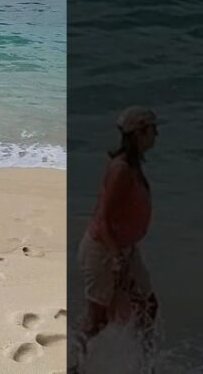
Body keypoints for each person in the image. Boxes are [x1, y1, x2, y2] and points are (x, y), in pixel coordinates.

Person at [77, 106, 161, 363]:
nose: (156, 135)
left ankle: (143, 362)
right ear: (139, 133)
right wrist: (116, 258)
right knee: (97, 318)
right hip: (103, 250)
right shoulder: (121, 169)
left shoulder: (133, 166)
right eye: (152, 130)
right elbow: (102, 220)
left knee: (147, 306)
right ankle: (73, 363)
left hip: (124, 249)